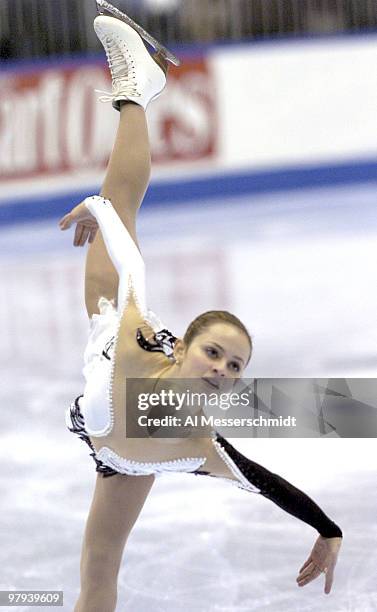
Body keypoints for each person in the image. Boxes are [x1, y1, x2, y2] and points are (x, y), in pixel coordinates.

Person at [60, 14, 342, 612]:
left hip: (121, 454)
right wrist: (99, 211)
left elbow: (266, 483)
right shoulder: (136, 347)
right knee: (121, 201)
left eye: (234, 365)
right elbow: (130, 264)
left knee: (100, 565)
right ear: (183, 349)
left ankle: (143, 85)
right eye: (214, 352)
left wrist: (329, 529)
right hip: (111, 333)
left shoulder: (202, 443)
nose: (223, 368)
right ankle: (137, 85)